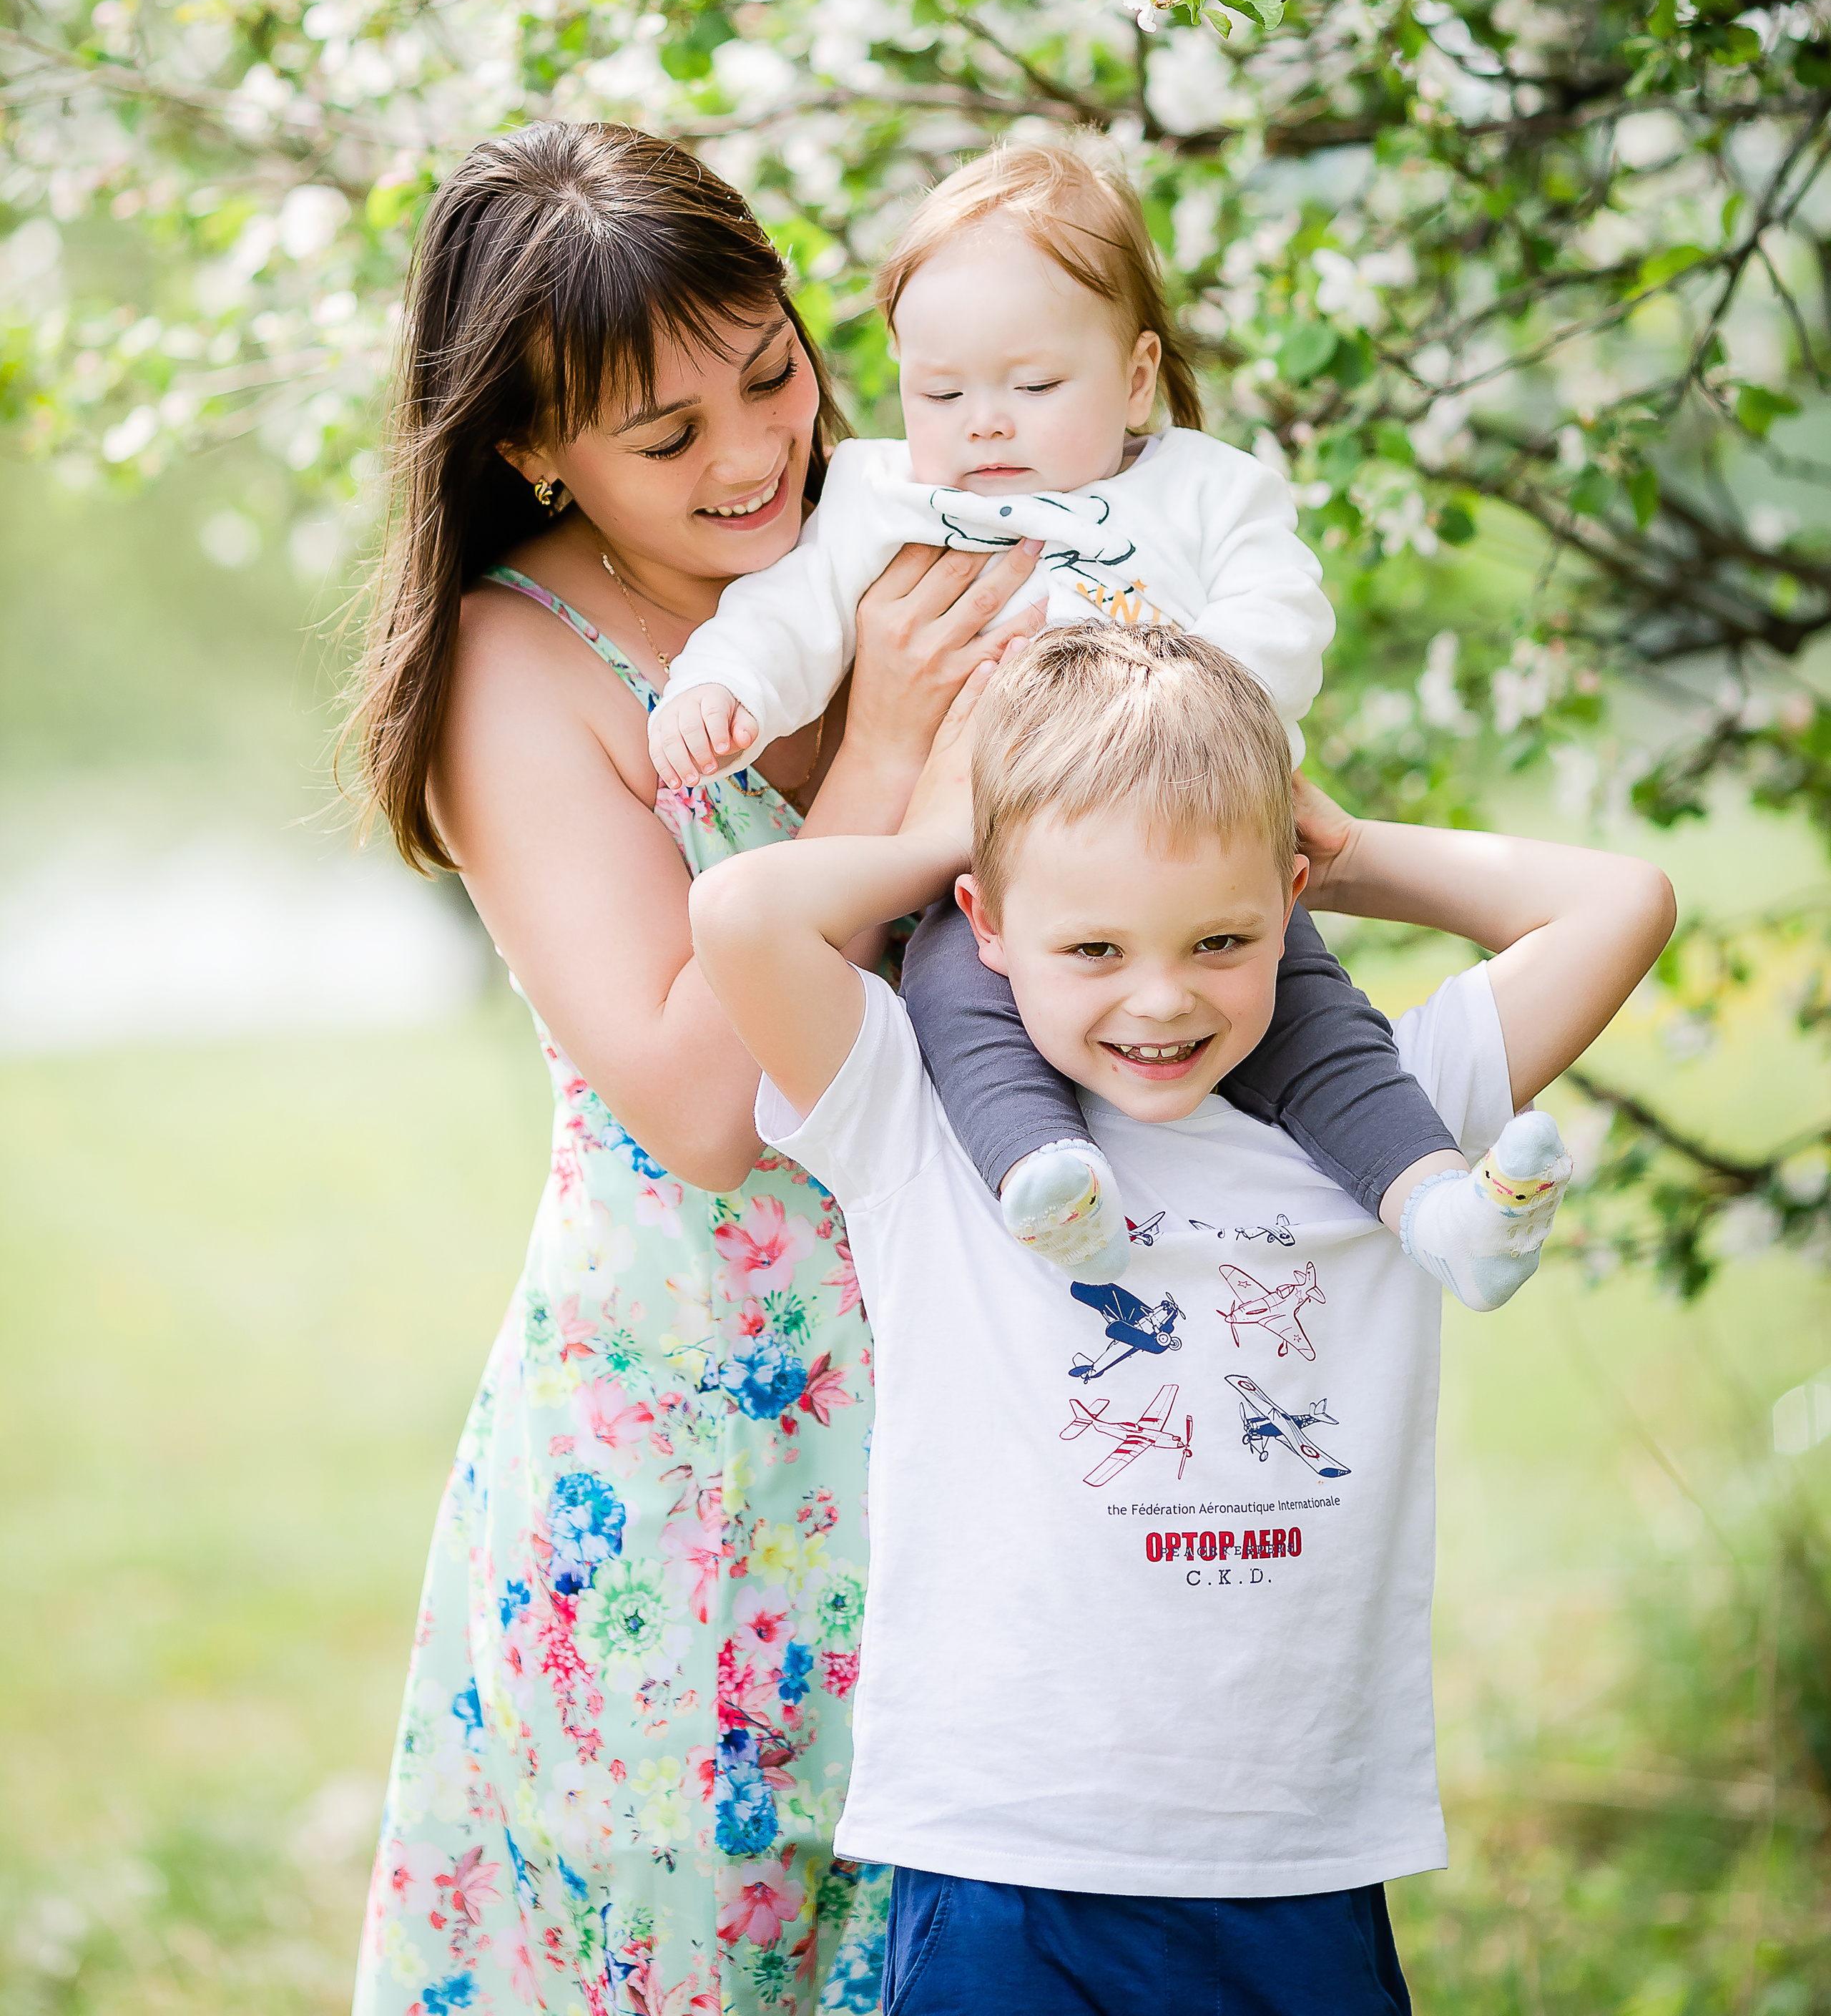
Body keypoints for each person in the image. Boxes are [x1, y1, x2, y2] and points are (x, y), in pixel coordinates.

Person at [689, 622, 1677, 2015]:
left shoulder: (1388, 1116)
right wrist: (971, 832)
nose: (1158, 998)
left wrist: (1320, 835)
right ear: (983, 923)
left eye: (1220, 939)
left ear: (1284, 900)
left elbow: (1622, 898)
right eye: (1088, 945)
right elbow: (739, 915)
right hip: (1002, 1856)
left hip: (1291, 1854)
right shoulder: (914, 1115)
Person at [346, 122, 1045, 2016]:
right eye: (667, 436)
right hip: (705, 1455)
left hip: (975, 1392)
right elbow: (704, 1105)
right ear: (529, 446)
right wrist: (891, 743)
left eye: (770, 376)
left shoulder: (884, 544)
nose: (753, 456)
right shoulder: (527, 664)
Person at [657, 135, 1566, 1309]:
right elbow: (788, 612)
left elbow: (1281, 613)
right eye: (940, 392)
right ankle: (1050, 1184)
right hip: (996, 882)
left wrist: (1190, 705)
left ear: (1135, 377)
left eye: (1033, 388)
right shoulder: (885, 499)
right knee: (955, 1002)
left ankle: (1444, 1209)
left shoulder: (1203, 487)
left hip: (1191, 851)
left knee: (1317, 1020)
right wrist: (718, 689)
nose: (985, 425)